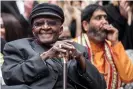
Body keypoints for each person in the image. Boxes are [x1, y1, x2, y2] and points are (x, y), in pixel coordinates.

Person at [2, 3, 106, 89]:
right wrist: (46, 55)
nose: (45, 27)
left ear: (60, 30)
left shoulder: (78, 49)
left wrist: (80, 59)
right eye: (39, 24)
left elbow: (100, 86)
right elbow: (10, 77)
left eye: (51, 23)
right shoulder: (16, 47)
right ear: (33, 30)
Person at [73, 4, 133, 89]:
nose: (104, 21)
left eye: (105, 18)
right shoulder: (74, 47)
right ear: (85, 25)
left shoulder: (113, 45)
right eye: (98, 18)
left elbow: (129, 77)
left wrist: (115, 42)